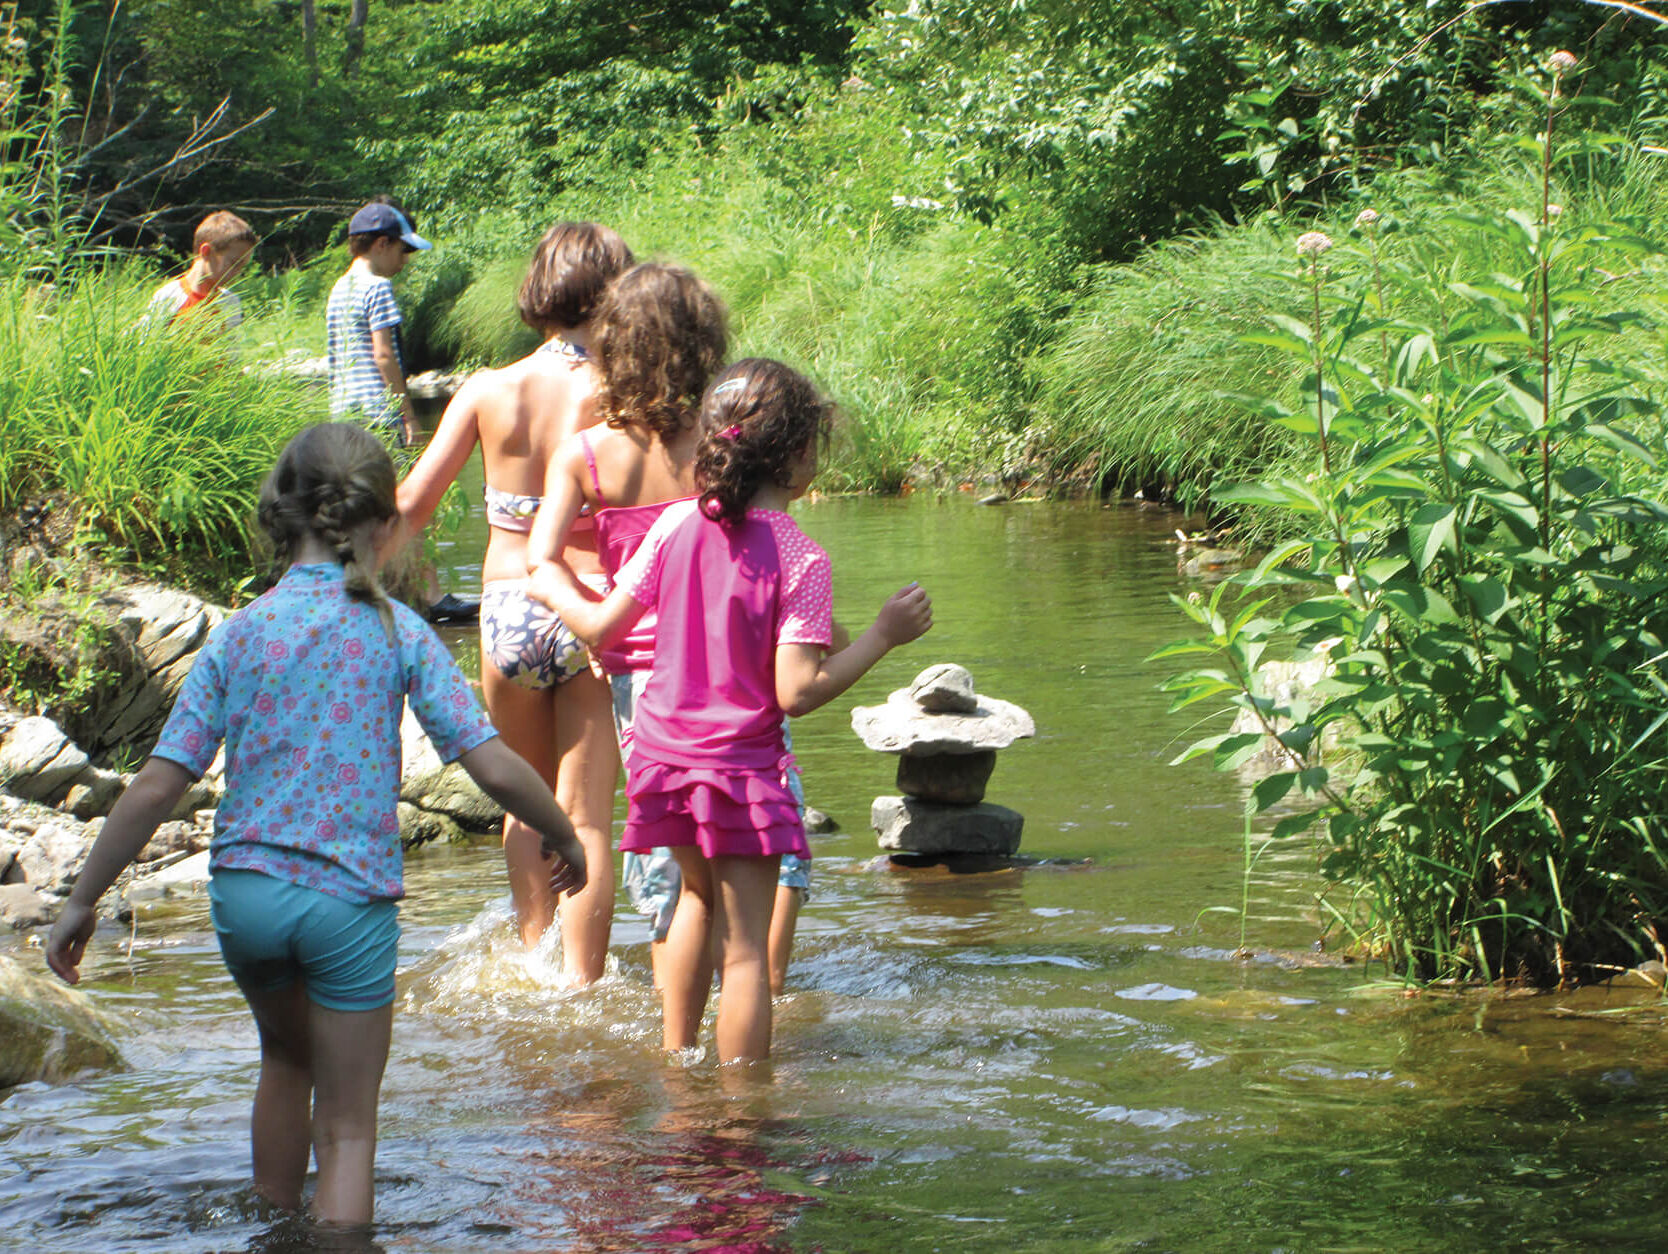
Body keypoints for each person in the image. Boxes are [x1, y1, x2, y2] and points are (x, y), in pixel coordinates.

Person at [44, 423, 588, 1228]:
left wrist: (81, 900)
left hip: (247, 900)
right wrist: (563, 831)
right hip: (346, 904)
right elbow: (492, 761)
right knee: (347, 1128)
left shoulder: (240, 634)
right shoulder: (398, 632)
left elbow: (159, 784)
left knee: (283, 1058)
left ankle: (270, 1223)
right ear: (381, 524)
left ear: (279, 514)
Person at [540, 359, 933, 1063]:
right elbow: (796, 692)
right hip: (740, 770)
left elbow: (602, 627)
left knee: (694, 900)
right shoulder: (801, 559)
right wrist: (882, 636)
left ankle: (677, 1070)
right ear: (797, 456)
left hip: (660, 757)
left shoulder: (673, 525)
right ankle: (740, 1114)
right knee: (747, 951)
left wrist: (545, 582)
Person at [396, 222, 633, 979]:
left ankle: (534, 963)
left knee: (524, 807)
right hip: (590, 608)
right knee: (587, 813)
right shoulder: (625, 395)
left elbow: (411, 508)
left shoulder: (487, 390)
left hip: (507, 609)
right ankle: (583, 984)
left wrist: (337, 582)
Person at [525, 261, 732, 1003]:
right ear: (706, 344)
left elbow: (540, 559)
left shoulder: (587, 454)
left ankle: (680, 1029)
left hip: (641, 678)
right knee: (742, 840)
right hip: (733, 669)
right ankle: (754, 1004)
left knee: (669, 855)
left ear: (613, 347)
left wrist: (589, 619)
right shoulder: (725, 447)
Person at [326, 198, 428, 450]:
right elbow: (383, 355)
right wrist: (409, 417)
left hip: (343, 413)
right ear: (382, 244)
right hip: (379, 413)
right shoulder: (378, 286)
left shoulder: (339, 288)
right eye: (402, 250)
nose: (403, 261)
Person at [144, 210, 256, 332]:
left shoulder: (230, 302)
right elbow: (147, 342)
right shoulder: (169, 296)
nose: (238, 273)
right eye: (233, 263)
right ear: (206, 252)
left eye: (242, 267)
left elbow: (232, 349)